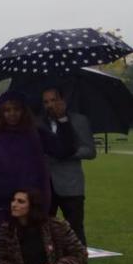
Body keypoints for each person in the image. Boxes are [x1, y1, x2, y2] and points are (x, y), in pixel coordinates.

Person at [0, 91, 67, 264]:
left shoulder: (36, 133)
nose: (12, 114)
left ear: (23, 111)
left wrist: (61, 119)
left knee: (30, 249)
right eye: (7, 110)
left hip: (28, 203)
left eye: (16, 109)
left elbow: (62, 149)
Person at [40, 87, 96, 246]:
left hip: (71, 185)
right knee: (44, 229)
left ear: (63, 101)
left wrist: (66, 153)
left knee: (75, 230)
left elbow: (90, 151)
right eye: (46, 102)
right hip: (46, 185)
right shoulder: (39, 123)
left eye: (53, 100)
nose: (50, 105)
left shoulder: (79, 120)